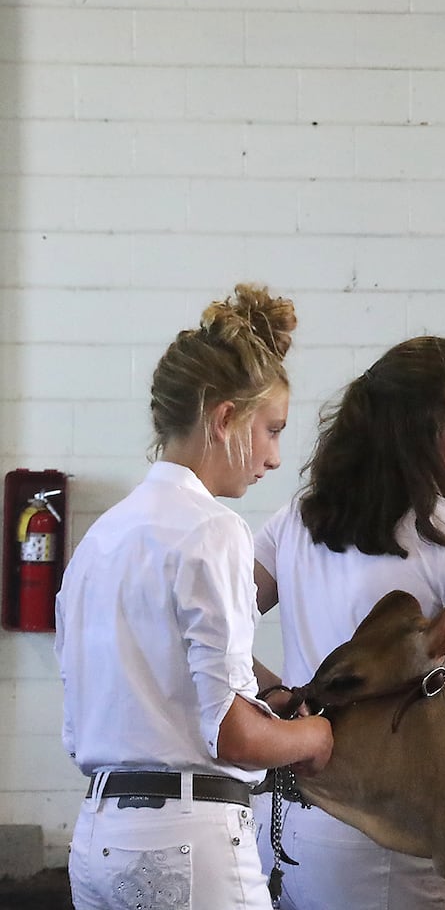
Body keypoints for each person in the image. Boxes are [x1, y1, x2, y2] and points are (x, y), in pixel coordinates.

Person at [55, 283, 333, 910]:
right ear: (224, 417)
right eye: (270, 430)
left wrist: (264, 690)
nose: (273, 457)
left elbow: (112, 701)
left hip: (98, 836)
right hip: (185, 841)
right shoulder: (212, 530)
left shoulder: (100, 540)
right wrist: (314, 736)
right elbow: (233, 737)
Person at [252, 335, 445, 910]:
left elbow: (204, 634)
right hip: (391, 839)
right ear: (425, 432)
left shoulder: (296, 519)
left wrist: (278, 693)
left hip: (284, 824)